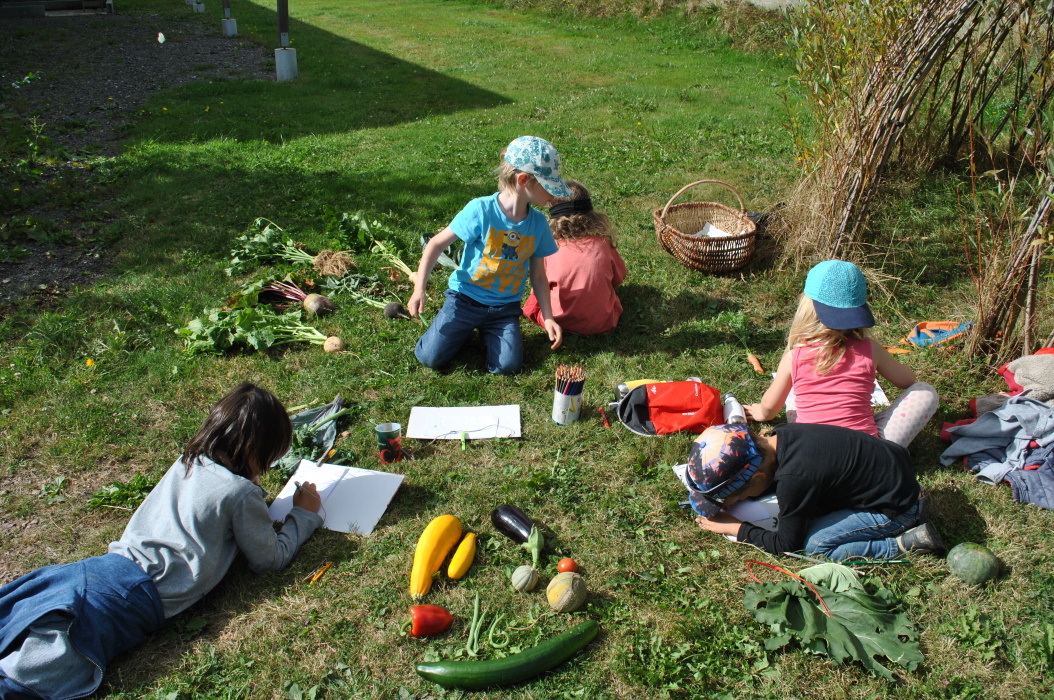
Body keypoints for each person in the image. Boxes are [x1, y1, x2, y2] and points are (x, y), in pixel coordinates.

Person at [0, 383, 322, 700]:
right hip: (131, 597)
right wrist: (303, 515)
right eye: (268, 458)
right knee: (24, 679)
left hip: (96, 571)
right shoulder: (240, 494)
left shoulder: (190, 460)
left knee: (20, 622)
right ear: (256, 450)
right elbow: (269, 558)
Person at [408, 136, 569, 374]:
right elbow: (435, 244)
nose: (553, 194)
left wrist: (548, 317)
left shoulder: (538, 224)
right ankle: (461, 329)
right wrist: (419, 289)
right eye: (548, 185)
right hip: (464, 301)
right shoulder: (480, 210)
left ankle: (484, 332)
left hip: (504, 309)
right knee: (430, 358)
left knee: (508, 366)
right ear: (523, 180)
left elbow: (538, 276)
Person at [743, 259, 938, 447]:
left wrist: (761, 413)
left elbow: (769, 405)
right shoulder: (871, 349)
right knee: (925, 392)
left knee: (795, 391)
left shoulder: (794, 356)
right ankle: (885, 449)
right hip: (868, 454)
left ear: (807, 307)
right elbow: (907, 380)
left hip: (809, 449)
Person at [687, 423, 945, 562]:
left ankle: (899, 545)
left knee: (815, 546)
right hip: (893, 478)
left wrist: (735, 528)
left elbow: (787, 546)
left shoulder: (794, 479)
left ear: (758, 477)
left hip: (897, 508)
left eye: (738, 497)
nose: (736, 503)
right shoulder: (783, 435)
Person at [523, 179, 627, 336]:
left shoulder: (548, 248)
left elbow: (539, 287)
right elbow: (619, 278)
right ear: (591, 214)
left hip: (557, 321)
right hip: (603, 323)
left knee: (533, 301)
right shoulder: (603, 244)